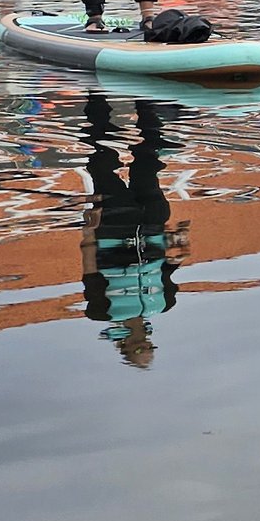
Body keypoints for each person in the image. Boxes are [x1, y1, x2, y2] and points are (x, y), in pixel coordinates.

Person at [77, 91, 190, 368]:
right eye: (148, 346)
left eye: (140, 349)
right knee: (148, 161)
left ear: (125, 345)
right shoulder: (164, 303)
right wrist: (178, 242)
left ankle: (97, 98)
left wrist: (89, 231)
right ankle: (146, 98)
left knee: (102, 160)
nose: (145, 343)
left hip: (114, 227)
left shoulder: (100, 312)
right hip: (151, 221)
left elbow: (90, 272)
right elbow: (167, 267)